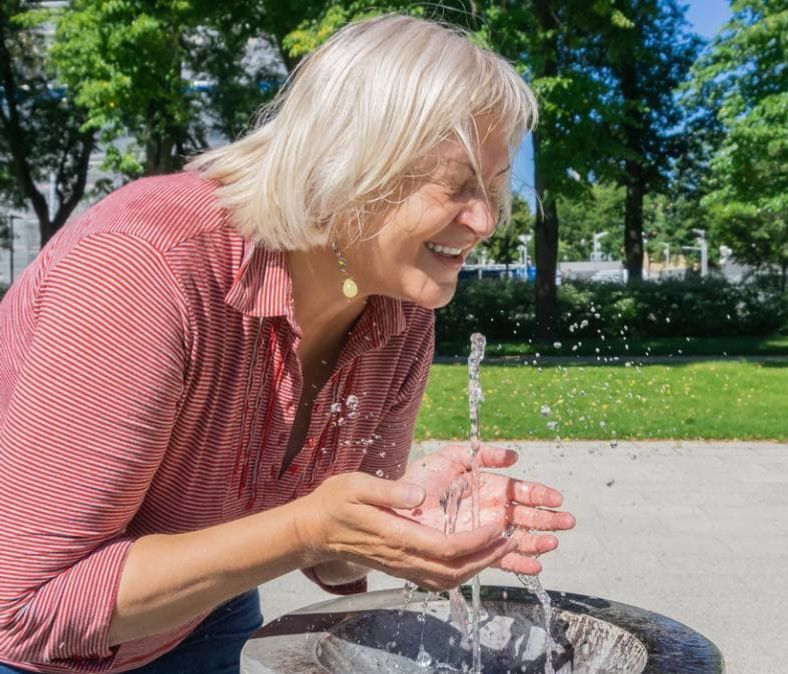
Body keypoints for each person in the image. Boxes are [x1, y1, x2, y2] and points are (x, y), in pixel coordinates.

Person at [0, 14, 573, 674]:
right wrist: (308, 528)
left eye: (496, 187)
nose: (484, 221)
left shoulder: (399, 309)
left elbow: (337, 556)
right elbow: (27, 605)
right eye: (458, 184)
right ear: (352, 165)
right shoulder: (147, 266)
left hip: (195, 612)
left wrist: (400, 520)